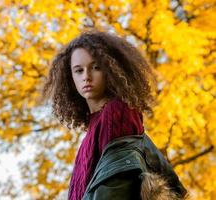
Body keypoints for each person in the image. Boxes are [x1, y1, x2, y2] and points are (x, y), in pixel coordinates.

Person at [42, 30, 187, 200]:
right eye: (79, 70)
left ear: (111, 70)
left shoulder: (117, 113)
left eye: (96, 67)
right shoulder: (92, 130)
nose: (86, 77)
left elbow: (117, 186)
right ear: (70, 78)